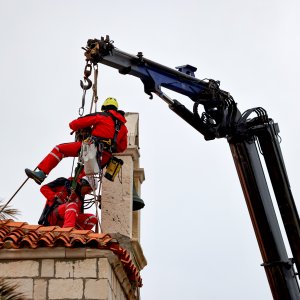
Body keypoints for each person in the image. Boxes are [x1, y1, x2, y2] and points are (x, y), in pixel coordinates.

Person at [25, 97, 128, 185]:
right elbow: (122, 148)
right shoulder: (123, 128)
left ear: (104, 108)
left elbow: (73, 124)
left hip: (91, 149)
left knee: (60, 149)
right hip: (104, 158)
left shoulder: (101, 116)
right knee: (79, 182)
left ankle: (42, 173)